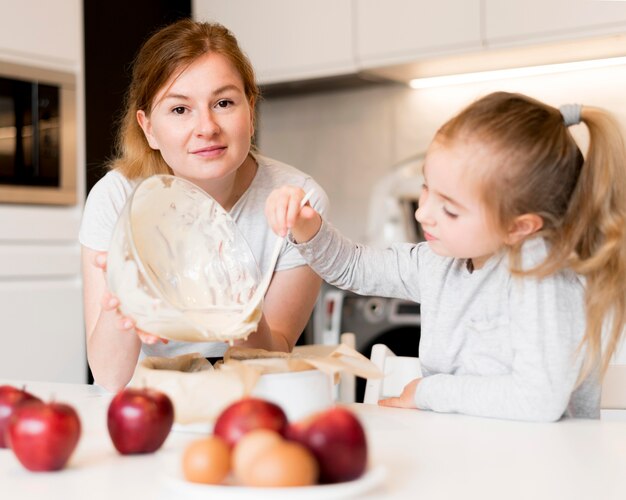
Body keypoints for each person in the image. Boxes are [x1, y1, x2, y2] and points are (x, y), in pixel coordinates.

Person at [265, 91, 626, 422]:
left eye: (450, 210)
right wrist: (306, 227)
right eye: (426, 188)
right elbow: (355, 267)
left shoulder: (539, 270)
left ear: (519, 227)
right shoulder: (438, 260)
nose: (423, 213)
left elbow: (538, 399)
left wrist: (427, 392)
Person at [79, 19, 328, 392]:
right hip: (147, 405)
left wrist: (236, 305)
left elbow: (272, 359)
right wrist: (124, 293)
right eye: (180, 110)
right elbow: (109, 377)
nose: (207, 127)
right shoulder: (116, 199)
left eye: (223, 103)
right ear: (148, 128)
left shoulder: (297, 201)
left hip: (248, 401)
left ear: (251, 108)